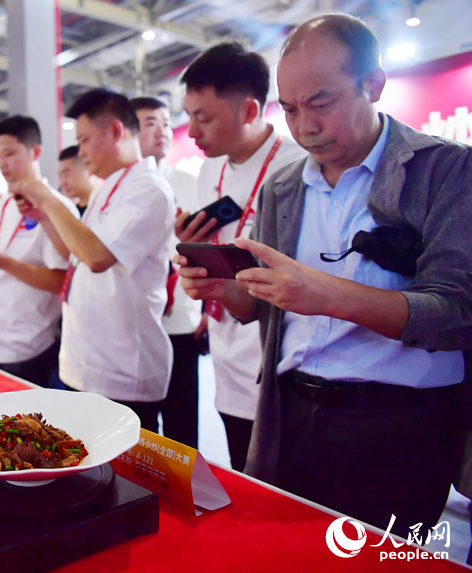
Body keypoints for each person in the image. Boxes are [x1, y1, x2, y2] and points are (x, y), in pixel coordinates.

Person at [177, 14, 472, 533]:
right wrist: (227, 286)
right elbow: (263, 310)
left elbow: (456, 313)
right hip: (289, 413)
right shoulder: (284, 187)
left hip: (399, 425)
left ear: (373, 85)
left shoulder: (443, 170)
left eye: (321, 103)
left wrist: (328, 294)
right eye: (289, 109)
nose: (305, 126)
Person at [174, 43, 307, 469]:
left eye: (204, 118)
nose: (192, 132)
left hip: (276, 365)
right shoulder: (209, 168)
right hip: (227, 351)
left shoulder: (298, 166)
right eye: (190, 116)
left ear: (250, 111)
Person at [12, 90, 175, 431]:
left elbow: (98, 257)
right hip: (88, 359)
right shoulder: (108, 187)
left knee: (122, 478)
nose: (81, 151)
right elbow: (77, 256)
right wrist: (43, 216)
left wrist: (46, 195)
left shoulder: (149, 188)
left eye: (84, 140)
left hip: (122, 366)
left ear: (115, 131)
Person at [0, 116, 78, 388]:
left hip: (27, 345)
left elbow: (60, 281)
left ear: (36, 152)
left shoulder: (58, 208)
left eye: (9, 154)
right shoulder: (1, 206)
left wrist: (3, 262)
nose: (2, 163)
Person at [132, 96, 203, 448]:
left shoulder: (190, 181)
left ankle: (186, 494)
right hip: (139, 325)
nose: (161, 131)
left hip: (181, 320)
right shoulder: (121, 189)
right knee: (141, 428)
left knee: (182, 422)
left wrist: (210, 310)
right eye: (149, 123)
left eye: (164, 122)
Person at [57, 146, 98, 216]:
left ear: (86, 167)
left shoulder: (106, 205)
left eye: (66, 174)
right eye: (61, 176)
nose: (63, 183)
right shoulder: (72, 214)